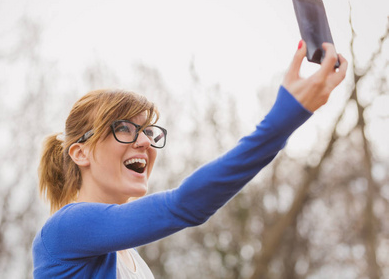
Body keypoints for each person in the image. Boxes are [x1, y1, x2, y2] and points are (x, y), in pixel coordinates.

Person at [32, 41, 347, 278]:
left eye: (147, 131)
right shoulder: (66, 229)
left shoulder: (131, 257)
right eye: (124, 129)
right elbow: (182, 206)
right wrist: (286, 117)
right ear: (80, 152)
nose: (144, 141)